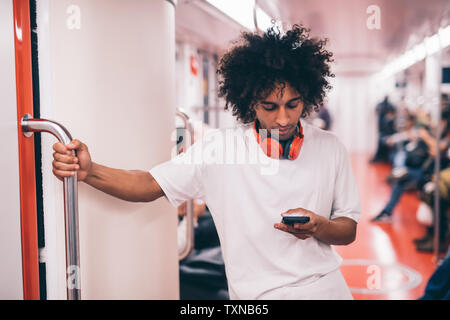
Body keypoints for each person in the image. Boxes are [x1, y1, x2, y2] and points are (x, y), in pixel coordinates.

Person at [51, 25, 361, 300]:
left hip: (328, 289)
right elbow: (146, 183)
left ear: (307, 96)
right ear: (250, 102)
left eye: (293, 105)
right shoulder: (220, 147)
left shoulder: (330, 148)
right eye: (270, 106)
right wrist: (89, 171)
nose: (283, 118)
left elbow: (347, 230)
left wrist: (321, 226)